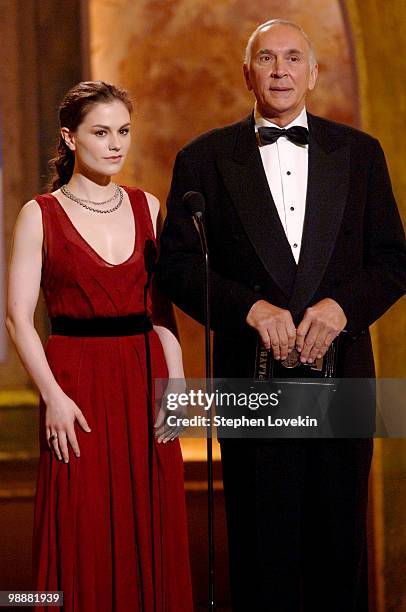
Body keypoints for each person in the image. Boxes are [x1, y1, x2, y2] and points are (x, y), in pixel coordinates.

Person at [156, 19, 406, 612]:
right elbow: (179, 268)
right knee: (262, 558)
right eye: (266, 58)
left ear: (312, 73)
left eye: (293, 58)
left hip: (342, 378)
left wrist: (342, 308)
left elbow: (394, 261)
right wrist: (249, 308)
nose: (280, 70)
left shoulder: (361, 154)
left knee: (338, 558)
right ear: (247, 74)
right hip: (252, 383)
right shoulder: (204, 159)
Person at [6, 81, 193, 612]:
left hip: (144, 377)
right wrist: (53, 397)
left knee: (151, 525)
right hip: (76, 385)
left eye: (124, 132)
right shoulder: (38, 214)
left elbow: (161, 310)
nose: (116, 144)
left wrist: (175, 384)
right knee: (80, 522)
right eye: (101, 132)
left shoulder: (147, 205)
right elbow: (18, 318)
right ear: (69, 138)